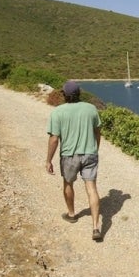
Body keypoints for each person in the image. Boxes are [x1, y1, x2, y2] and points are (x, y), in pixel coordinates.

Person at [46, 81, 103, 241]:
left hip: (69, 155)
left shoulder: (58, 112)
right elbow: (98, 132)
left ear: (64, 95)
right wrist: (95, 149)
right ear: (79, 94)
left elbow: (54, 139)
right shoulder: (91, 109)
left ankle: (71, 214)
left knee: (68, 184)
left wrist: (48, 160)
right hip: (90, 153)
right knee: (91, 187)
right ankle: (95, 227)